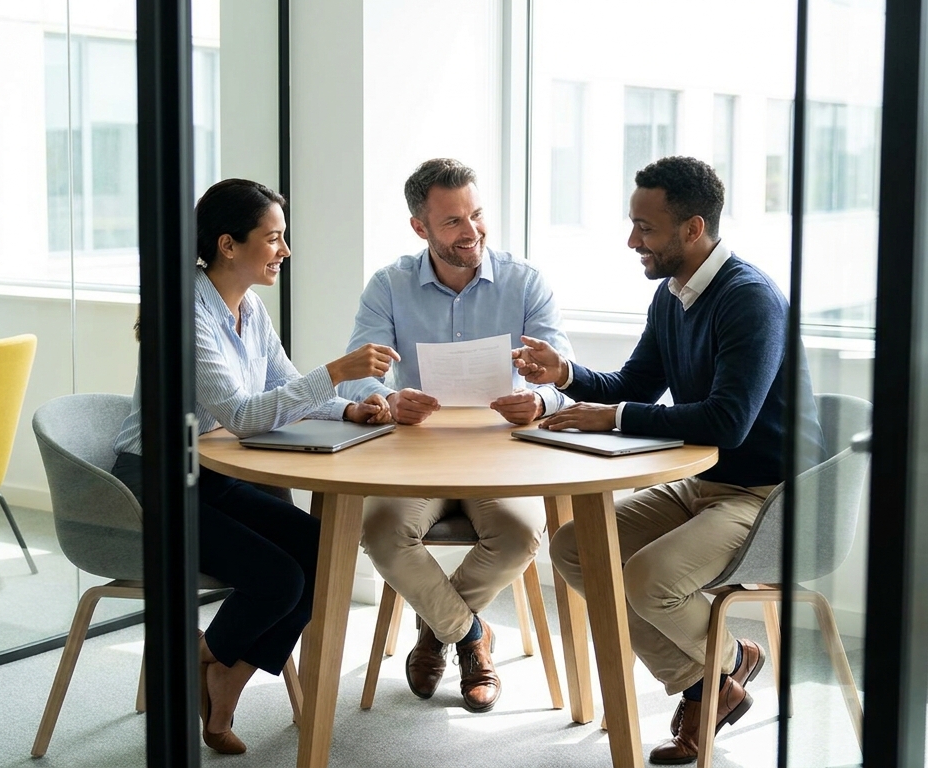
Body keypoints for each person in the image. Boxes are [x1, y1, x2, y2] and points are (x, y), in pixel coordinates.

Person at [513, 156, 824, 764]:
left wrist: (619, 417)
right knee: (578, 550)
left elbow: (727, 422)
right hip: (701, 483)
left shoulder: (749, 300)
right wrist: (568, 374)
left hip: (765, 495)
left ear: (692, 228)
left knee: (649, 580)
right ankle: (709, 682)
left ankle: (728, 660)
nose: (633, 241)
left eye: (645, 228)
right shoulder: (673, 296)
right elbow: (636, 381)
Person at [110, 179, 398, 754]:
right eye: (273, 238)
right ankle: (202, 662)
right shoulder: (189, 314)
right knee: (281, 577)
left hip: (214, 471)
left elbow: (283, 388)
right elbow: (243, 415)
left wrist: (347, 407)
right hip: (158, 483)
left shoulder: (249, 307)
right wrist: (337, 372)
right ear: (228, 245)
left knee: (324, 552)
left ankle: (221, 672)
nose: (284, 251)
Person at [337, 158, 573, 712]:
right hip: (415, 456)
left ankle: (435, 631)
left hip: (501, 455)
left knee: (518, 536)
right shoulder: (389, 285)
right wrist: (387, 399)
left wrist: (539, 397)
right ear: (420, 227)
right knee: (381, 532)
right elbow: (360, 379)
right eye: (452, 222)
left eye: (477, 215)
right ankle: (471, 638)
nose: (471, 232)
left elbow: (567, 376)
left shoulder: (524, 281)